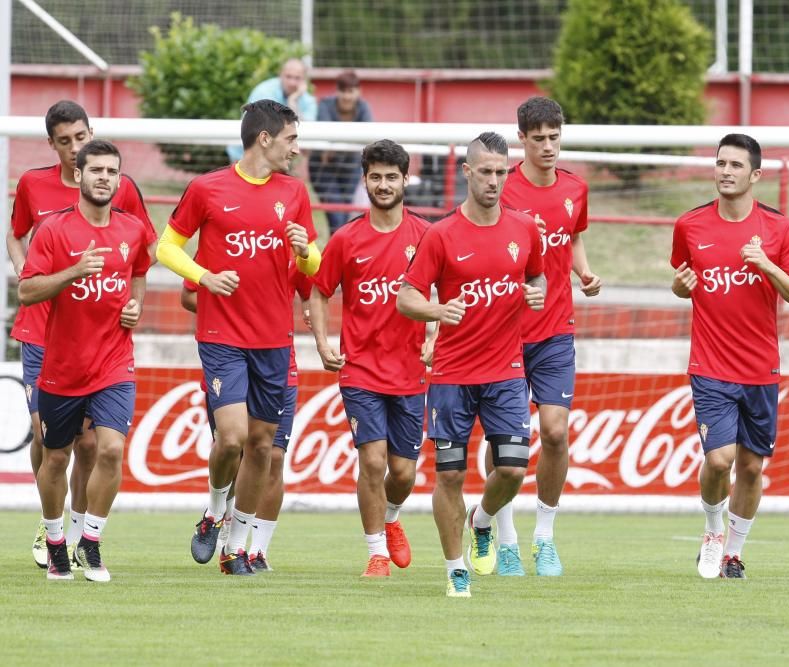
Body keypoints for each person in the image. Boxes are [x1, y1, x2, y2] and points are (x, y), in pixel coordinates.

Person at [157, 99, 321, 576]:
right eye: (291, 138)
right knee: (231, 440)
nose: (297, 148)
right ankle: (212, 511)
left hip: (274, 338)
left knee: (263, 447)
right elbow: (164, 246)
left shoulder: (294, 192)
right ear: (265, 138)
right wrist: (204, 276)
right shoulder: (207, 188)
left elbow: (313, 267)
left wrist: (303, 248)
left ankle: (234, 546)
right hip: (222, 333)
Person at [6, 100, 156, 570]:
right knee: (49, 442)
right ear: (53, 146)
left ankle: (82, 536)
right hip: (45, 336)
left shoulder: (121, 195)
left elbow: (139, 259)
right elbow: (18, 242)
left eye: (82, 138)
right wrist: (35, 271)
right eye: (67, 142)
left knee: (101, 446)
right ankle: (51, 525)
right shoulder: (37, 190)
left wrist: (135, 304)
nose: (77, 150)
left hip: (106, 346)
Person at [397, 132, 546, 597]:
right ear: (467, 172)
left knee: (514, 470)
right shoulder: (441, 235)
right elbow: (406, 297)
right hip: (452, 376)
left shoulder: (525, 229)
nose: (495, 181)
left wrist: (534, 292)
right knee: (450, 475)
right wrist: (437, 312)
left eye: (502, 172)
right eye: (486, 172)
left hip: (505, 371)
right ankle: (455, 568)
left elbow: (535, 274)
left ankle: (483, 520)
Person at [671, 133, 789, 579]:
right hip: (710, 365)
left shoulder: (779, 230)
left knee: (751, 467)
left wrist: (768, 267)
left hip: (760, 367)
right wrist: (681, 287)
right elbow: (680, 280)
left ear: (755, 175)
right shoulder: (690, 226)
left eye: (735, 165)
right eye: (720, 163)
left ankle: (733, 552)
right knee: (719, 460)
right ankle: (713, 529)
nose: (726, 171)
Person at [487, 96, 601, 577]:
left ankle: (545, 538)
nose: (549, 147)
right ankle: (506, 538)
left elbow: (571, 236)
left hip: (555, 330)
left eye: (555, 137)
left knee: (554, 432)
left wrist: (585, 273)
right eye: (539, 139)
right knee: (508, 443)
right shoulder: (503, 190)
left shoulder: (575, 188)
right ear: (522, 140)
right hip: (506, 332)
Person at [310, 139, 431, 578]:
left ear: (404, 181)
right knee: (373, 460)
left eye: (391, 177)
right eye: (375, 177)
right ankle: (376, 552)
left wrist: (436, 335)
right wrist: (324, 343)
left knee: (401, 472)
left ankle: (393, 515)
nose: (383, 184)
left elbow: (449, 291)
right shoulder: (346, 239)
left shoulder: (425, 236)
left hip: (411, 371)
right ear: (365, 180)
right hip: (360, 370)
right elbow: (319, 293)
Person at [179, 261, 311, 573]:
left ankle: (254, 551)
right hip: (229, 354)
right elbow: (188, 295)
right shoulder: (222, 239)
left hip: (278, 363)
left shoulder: (293, 247)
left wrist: (313, 325)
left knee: (272, 455)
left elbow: (313, 291)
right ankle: (216, 515)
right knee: (232, 447)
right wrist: (233, 314)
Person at [310, 70, 374, 231]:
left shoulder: (364, 107)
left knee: (344, 215)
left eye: (351, 91)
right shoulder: (325, 104)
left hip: (351, 167)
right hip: (323, 168)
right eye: (343, 91)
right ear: (337, 91)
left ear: (358, 92)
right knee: (336, 215)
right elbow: (326, 133)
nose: (347, 96)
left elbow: (368, 134)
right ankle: (337, 251)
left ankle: (337, 251)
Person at [226, 58, 318, 163]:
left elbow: (307, 136)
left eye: (297, 78)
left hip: (281, 157)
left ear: (304, 79)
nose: (292, 82)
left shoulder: (309, 100)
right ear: (280, 75)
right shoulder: (264, 91)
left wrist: (293, 101)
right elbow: (262, 130)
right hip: (244, 153)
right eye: (288, 76)